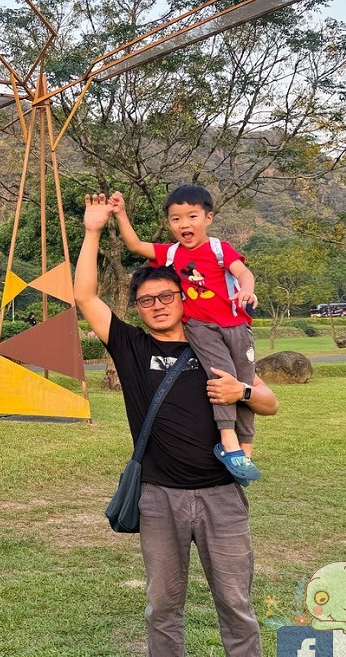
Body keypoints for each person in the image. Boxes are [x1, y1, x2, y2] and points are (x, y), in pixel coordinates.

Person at [75, 195, 295, 657]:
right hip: (159, 496)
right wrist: (93, 231)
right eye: (145, 300)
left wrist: (240, 389)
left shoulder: (213, 343)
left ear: (184, 295)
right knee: (162, 604)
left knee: (235, 603)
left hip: (222, 494)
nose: (156, 305)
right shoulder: (130, 348)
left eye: (165, 296)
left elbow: (268, 402)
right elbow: (82, 295)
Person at [110, 185, 260, 485]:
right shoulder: (171, 254)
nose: (184, 224)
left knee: (242, 383)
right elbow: (136, 245)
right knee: (222, 376)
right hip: (201, 329)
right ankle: (228, 441)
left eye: (192, 216)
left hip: (236, 326)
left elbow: (243, 272)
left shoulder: (220, 249)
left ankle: (245, 451)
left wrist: (247, 289)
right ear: (169, 224)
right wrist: (121, 214)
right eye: (176, 219)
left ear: (208, 218)